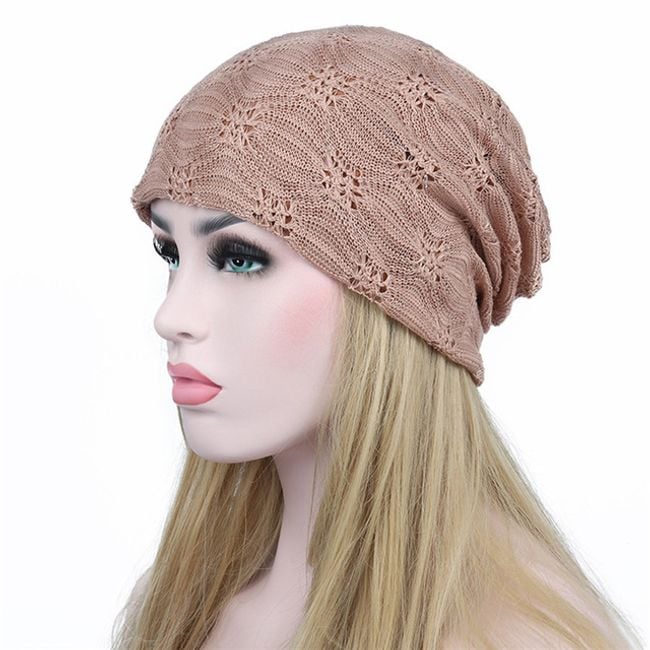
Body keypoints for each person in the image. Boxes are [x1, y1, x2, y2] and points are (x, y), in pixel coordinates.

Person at [112, 25, 643, 649]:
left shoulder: (517, 637)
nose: (171, 315)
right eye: (171, 253)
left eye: (239, 258)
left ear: (400, 299)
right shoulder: (176, 607)